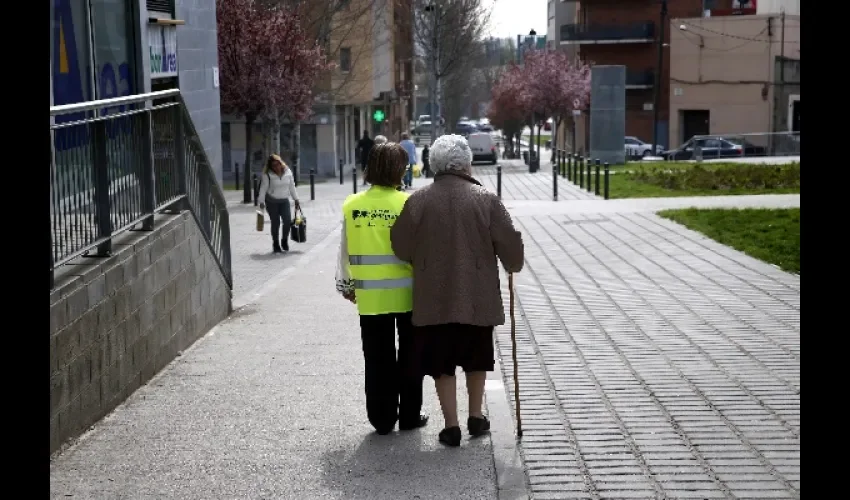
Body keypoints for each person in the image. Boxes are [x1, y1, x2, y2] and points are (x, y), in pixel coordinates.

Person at [390, 134, 524, 447]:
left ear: (433, 164)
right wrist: (513, 262)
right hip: (477, 297)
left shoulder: (418, 200)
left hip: (434, 299)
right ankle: (476, 415)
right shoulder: (486, 199)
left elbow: (400, 246)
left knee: (441, 361)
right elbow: (511, 249)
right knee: (477, 356)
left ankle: (451, 425)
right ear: (466, 163)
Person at [335, 142, 429, 435]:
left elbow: (344, 251)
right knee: (412, 357)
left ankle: (382, 419)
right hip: (410, 296)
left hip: (370, 297)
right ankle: (410, 415)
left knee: (377, 360)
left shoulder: (353, 206)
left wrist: (346, 285)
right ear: (398, 170)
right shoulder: (409, 204)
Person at [258, 154, 300, 253]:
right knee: (275, 222)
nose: (276, 167)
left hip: (284, 200)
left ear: (281, 163)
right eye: (273, 165)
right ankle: (276, 243)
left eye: (278, 164)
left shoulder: (288, 172)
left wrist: (296, 199)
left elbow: (292, 187)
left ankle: (284, 240)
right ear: (270, 167)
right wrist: (261, 201)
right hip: (272, 201)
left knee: (287, 221)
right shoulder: (267, 175)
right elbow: (263, 189)